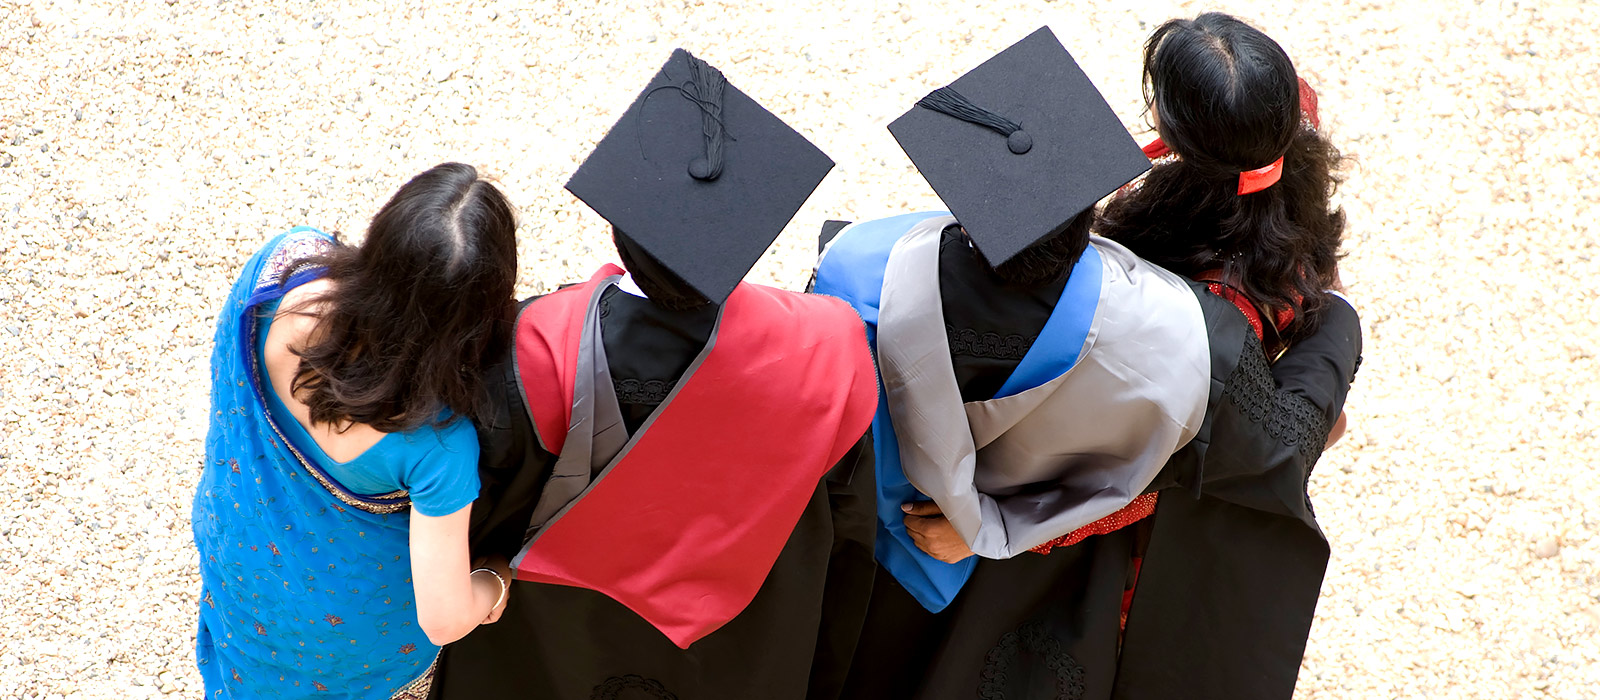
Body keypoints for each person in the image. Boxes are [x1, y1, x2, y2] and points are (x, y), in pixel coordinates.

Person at [812, 27, 1363, 700]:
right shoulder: (1282, 160)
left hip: (1135, 491)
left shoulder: (1199, 316)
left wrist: (1001, 532)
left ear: (1171, 124)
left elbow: (1156, 472)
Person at [429, 49, 880, 700]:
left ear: (618, 232)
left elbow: (473, 513)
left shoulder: (527, 346)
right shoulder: (827, 351)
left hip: (549, 642)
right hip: (742, 644)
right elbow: (848, 528)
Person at [191, 162, 519, 699]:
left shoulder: (280, 271)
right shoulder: (437, 441)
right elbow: (444, 619)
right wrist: (495, 581)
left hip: (238, 558)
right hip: (341, 638)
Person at [1098, 11, 1350, 443]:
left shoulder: (1207, 298)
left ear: (1178, 134)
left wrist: (994, 514)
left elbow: (1162, 455)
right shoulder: (1286, 140)